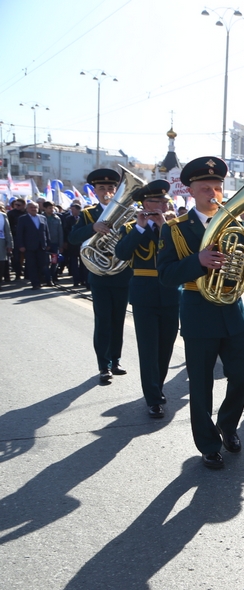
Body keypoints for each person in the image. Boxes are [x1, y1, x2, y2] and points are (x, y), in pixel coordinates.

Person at [158, 156, 244, 469]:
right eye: (205, 188)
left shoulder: (238, 225)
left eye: (217, 187)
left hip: (233, 311)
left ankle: (227, 424)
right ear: (191, 191)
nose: (213, 193)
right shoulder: (175, 230)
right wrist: (197, 261)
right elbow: (167, 274)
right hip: (199, 310)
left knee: (243, 374)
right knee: (200, 385)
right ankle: (208, 443)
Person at [114, 180, 179, 418]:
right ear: (145, 204)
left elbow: (180, 254)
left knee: (165, 347)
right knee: (149, 348)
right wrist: (142, 227)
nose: (163, 205)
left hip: (170, 293)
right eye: (157, 201)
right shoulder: (131, 228)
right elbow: (121, 253)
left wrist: (164, 228)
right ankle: (153, 397)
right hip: (144, 295)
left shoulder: (173, 227)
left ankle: (157, 388)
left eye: (164, 201)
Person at [69, 169, 133, 384]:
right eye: (102, 188)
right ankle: (103, 365)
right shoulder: (88, 214)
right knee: (103, 320)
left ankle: (115, 360)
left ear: (116, 190)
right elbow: (73, 238)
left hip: (121, 274)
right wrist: (93, 227)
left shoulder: (129, 213)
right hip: (99, 274)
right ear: (95, 191)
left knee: (118, 320)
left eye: (110, 188)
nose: (107, 191)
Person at [16, 200, 49, 290]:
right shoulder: (23, 219)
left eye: (35, 207)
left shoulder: (42, 218)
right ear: (27, 209)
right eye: (31, 207)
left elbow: (46, 231)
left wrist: (47, 243)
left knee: (41, 264)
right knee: (31, 265)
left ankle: (39, 280)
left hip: (41, 245)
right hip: (29, 246)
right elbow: (19, 233)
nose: (34, 209)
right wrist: (21, 245)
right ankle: (35, 283)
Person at [61, 201, 84, 286]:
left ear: (78, 210)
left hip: (82, 244)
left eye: (73, 209)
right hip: (73, 244)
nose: (72, 211)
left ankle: (83, 280)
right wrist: (65, 242)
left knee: (83, 264)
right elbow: (65, 231)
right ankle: (76, 280)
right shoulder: (68, 219)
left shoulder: (83, 218)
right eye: (71, 209)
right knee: (74, 263)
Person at [42, 201, 63, 286]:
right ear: (45, 208)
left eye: (52, 208)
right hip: (46, 244)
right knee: (46, 262)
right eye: (49, 208)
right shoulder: (42, 217)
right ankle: (48, 279)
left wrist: (61, 245)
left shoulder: (57, 218)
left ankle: (52, 276)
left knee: (55, 262)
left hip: (55, 244)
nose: (51, 210)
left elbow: (60, 232)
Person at [0, 209, 12, 287]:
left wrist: (10, 245)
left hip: (1, 242)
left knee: (1, 263)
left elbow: (8, 231)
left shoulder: (3, 216)